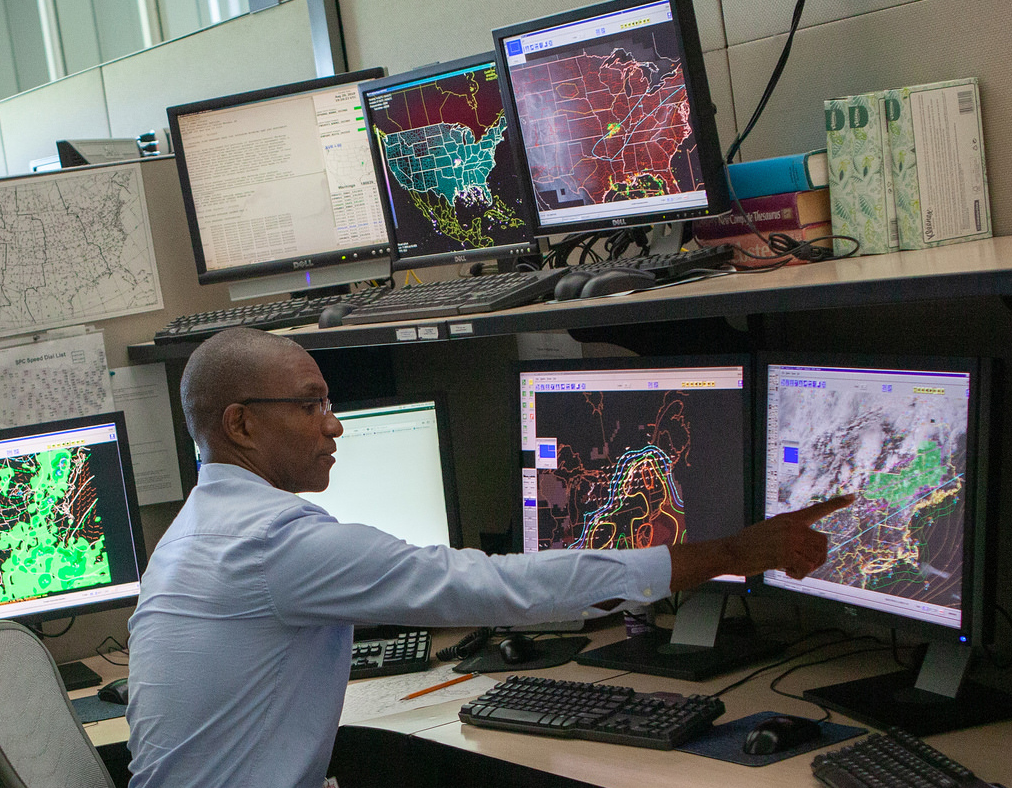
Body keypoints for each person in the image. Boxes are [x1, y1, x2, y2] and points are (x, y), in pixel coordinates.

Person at [124, 327, 851, 788]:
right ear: (242, 424)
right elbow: (500, 587)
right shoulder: (274, 544)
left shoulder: (191, 534)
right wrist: (730, 552)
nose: (334, 424)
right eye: (310, 404)